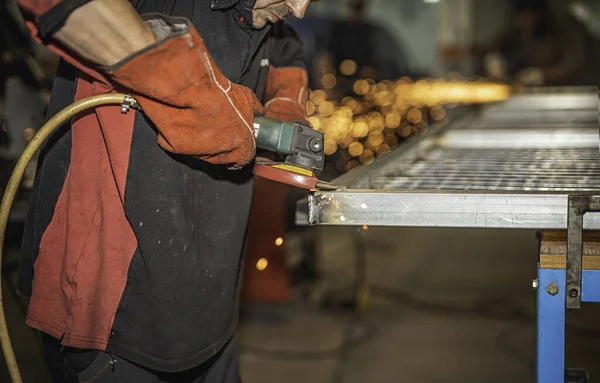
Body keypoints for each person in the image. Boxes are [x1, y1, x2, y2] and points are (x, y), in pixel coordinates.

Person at [15, 0, 314, 382]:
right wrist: (195, 94)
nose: (300, 8)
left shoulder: (272, 17)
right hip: (115, 318)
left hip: (212, 307)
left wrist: (286, 104)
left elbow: (287, 51)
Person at [483, 0, 600, 85]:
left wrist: (541, 74)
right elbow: (497, 45)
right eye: (521, 19)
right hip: (550, 90)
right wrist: (493, 58)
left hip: (585, 88)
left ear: (539, 15)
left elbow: (573, 64)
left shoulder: (568, 28)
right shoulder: (520, 30)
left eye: (528, 18)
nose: (524, 23)